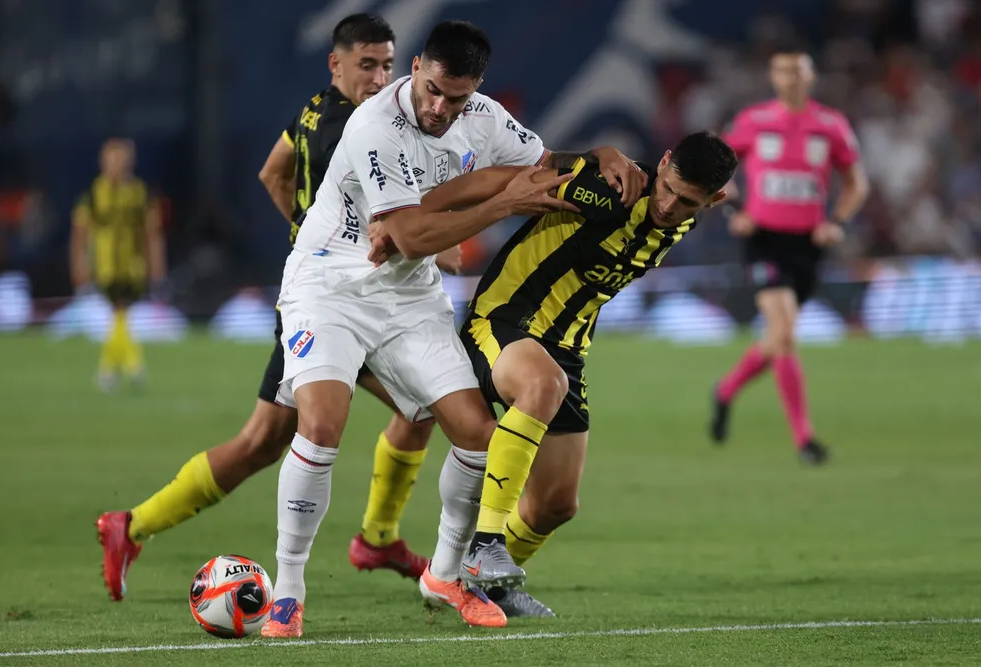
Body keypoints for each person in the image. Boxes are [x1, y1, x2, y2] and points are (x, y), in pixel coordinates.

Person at [261, 19, 646, 635]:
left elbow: (543, 165)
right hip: (328, 287)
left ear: (477, 89)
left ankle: (444, 576)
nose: (441, 108)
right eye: (434, 90)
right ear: (416, 67)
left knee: (477, 432)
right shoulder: (374, 125)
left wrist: (597, 155)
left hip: (409, 300)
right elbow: (410, 236)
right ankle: (288, 587)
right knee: (323, 422)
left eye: (457, 98)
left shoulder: (485, 116)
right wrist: (501, 204)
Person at [95, 14, 451, 603]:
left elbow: (272, 171)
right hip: (342, 305)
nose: (380, 76)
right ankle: (378, 537)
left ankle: (130, 526)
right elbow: (394, 216)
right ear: (336, 64)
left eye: (387, 64)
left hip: (321, 297)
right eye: (368, 64)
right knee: (432, 404)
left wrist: (310, 233)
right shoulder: (358, 128)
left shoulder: (312, 110)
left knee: (264, 441)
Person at [372, 131, 738, 617]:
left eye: (687, 201)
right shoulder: (610, 188)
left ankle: (483, 587)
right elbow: (501, 180)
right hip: (502, 321)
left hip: (566, 350)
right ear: (664, 163)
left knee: (556, 506)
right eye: (668, 187)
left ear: (714, 200)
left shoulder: (680, 222)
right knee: (536, 387)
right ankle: (481, 547)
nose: (669, 205)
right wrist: (409, 215)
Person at [710, 46, 869, 464]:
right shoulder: (754, 121)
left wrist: (837, 219)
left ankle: (725, 391)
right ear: (773, 77)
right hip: (763, 239)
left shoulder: (830, 125)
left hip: (807, 246)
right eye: (782, 71)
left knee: (776, 339)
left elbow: (856, 183)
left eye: (797, 71)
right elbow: (717, 167)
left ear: (810, 76)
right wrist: (735, 208)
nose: (790, 78)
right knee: (785, 334)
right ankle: (804, 439)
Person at [71, 138, 165, 391]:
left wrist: (156, 268)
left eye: (121, 159)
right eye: (112, 159)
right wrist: (80, 266)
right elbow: (80, 233)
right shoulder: (93, 194)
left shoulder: (139, 193)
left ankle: (111, 370)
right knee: (120, 312)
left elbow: (151, 231)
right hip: (104, 264)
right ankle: (129, 366)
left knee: (119, 313)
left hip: (132, 264)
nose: (117, 165)